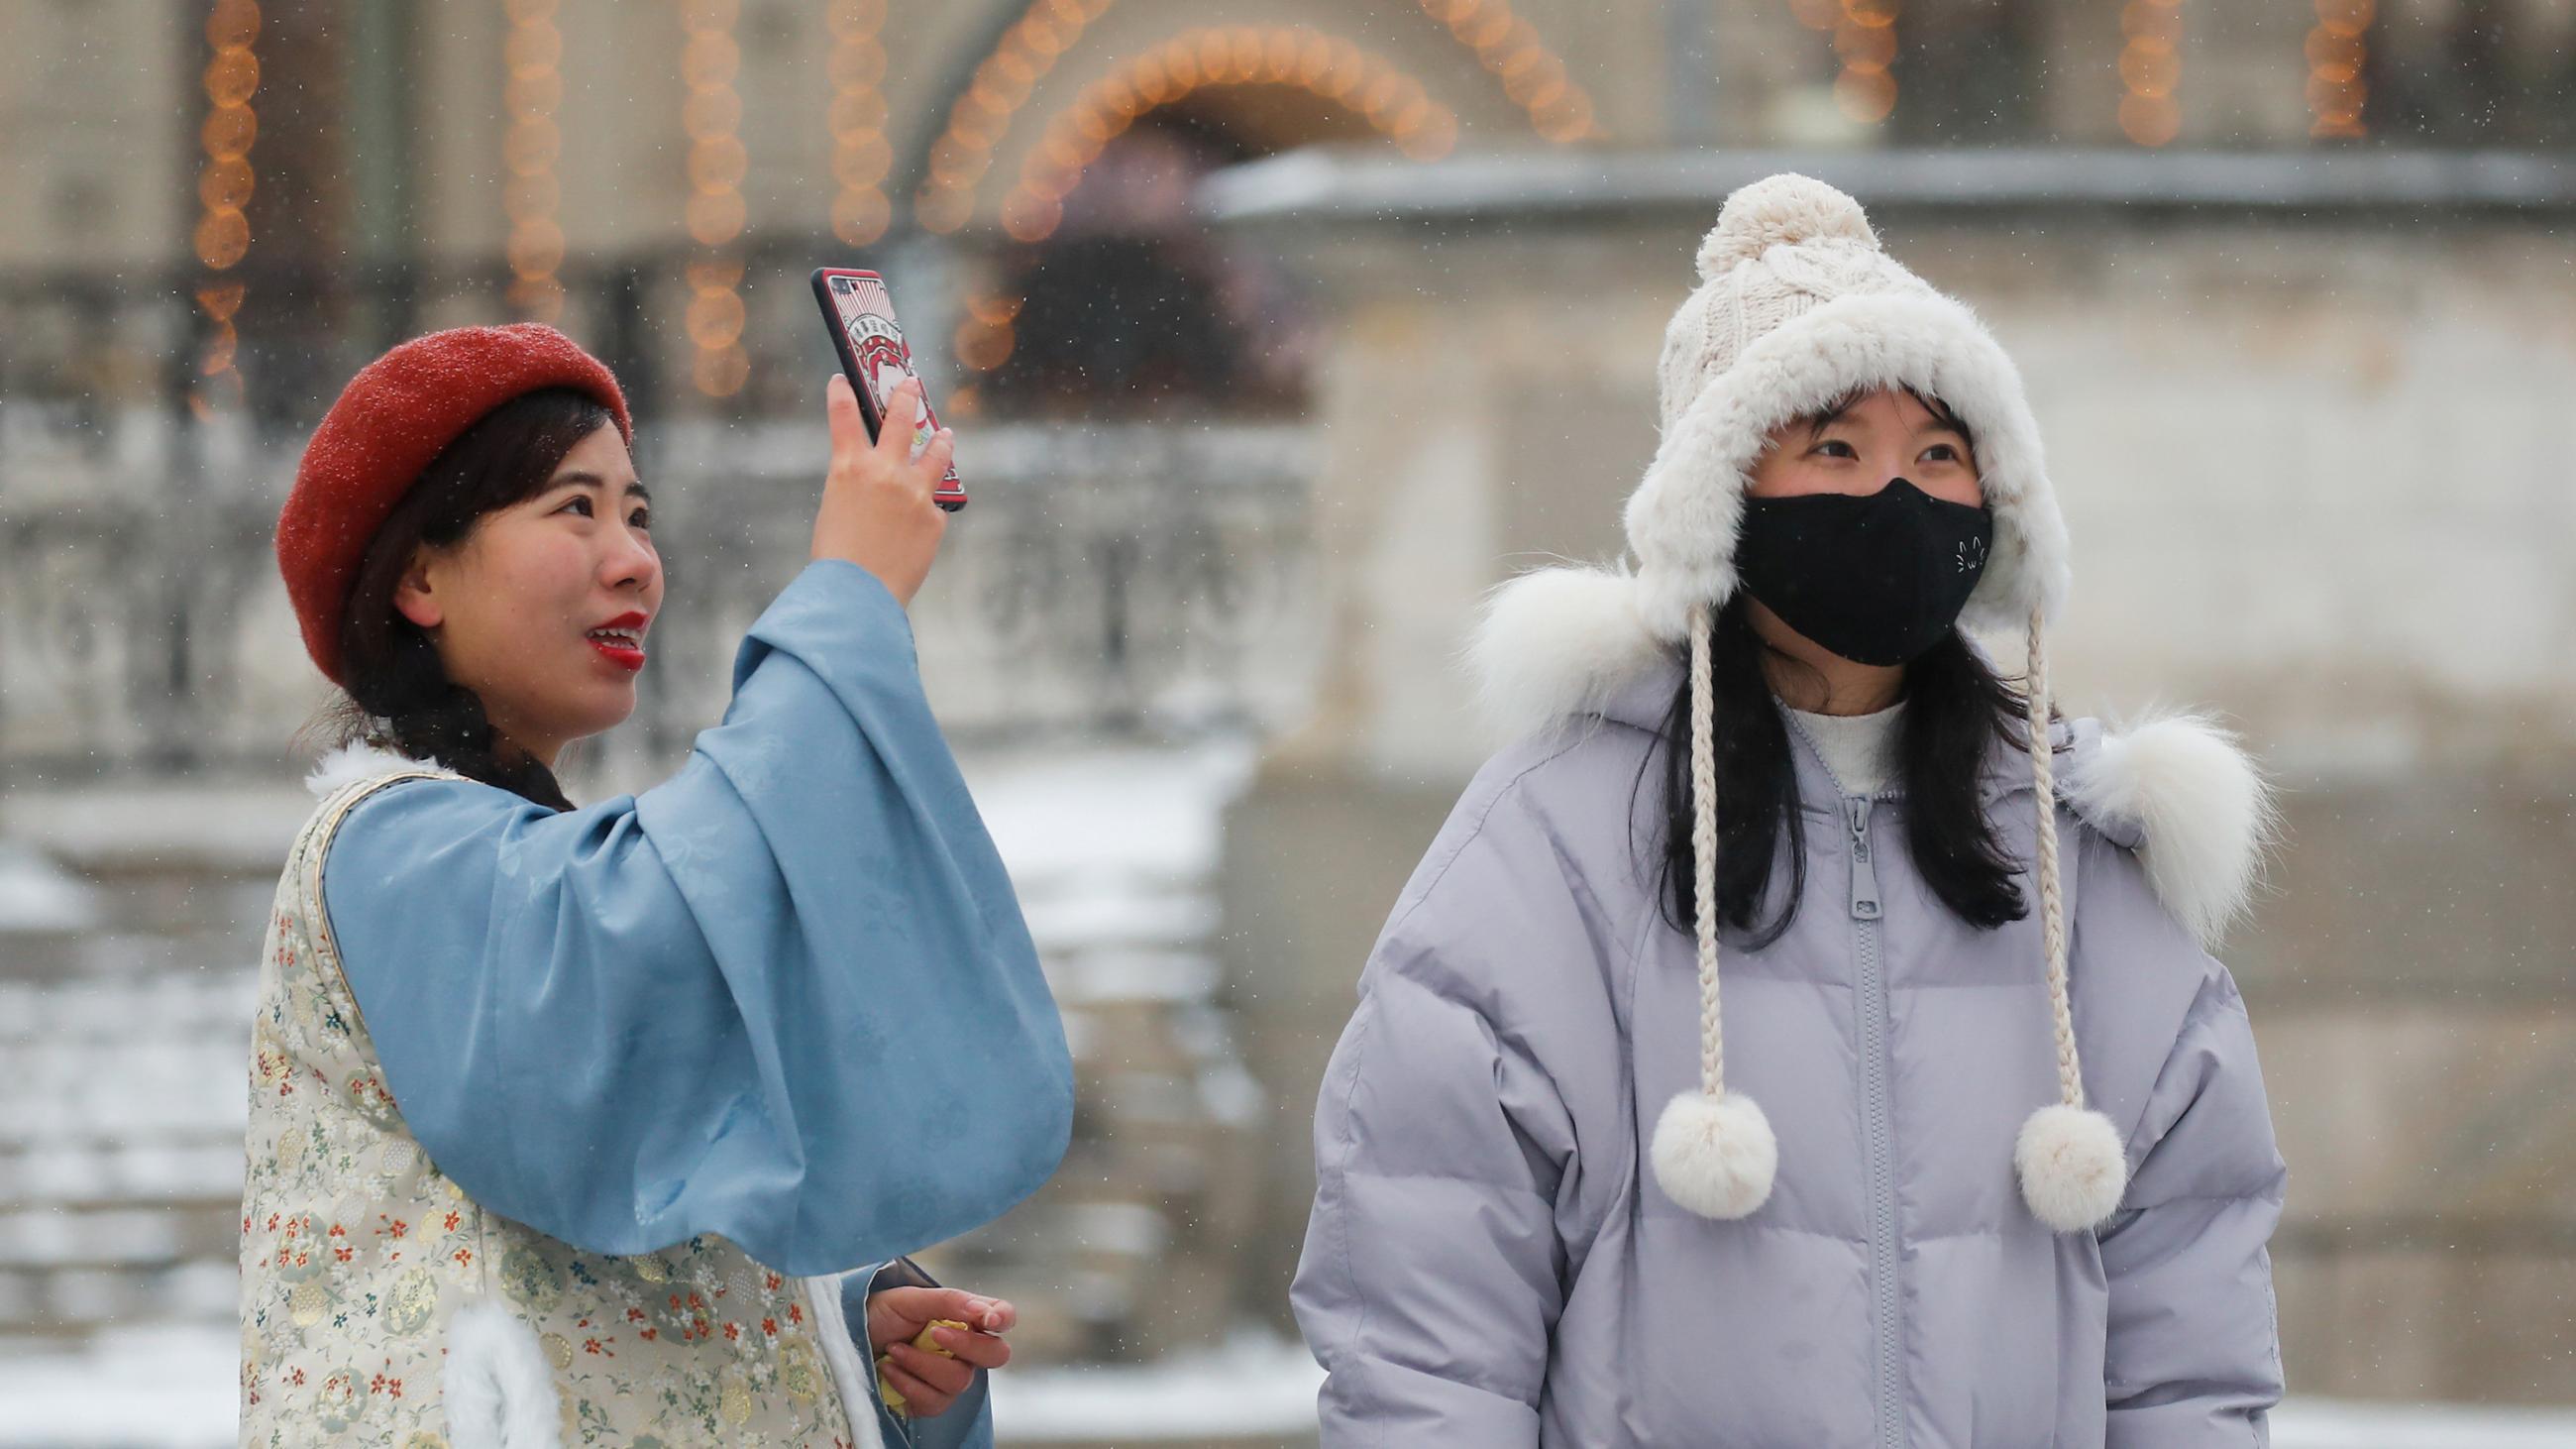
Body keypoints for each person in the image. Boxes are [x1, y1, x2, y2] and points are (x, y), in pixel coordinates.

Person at [1291, 175, 2287, 1445]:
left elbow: (2190, 1338)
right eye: (1832, 447)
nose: (1898, 495)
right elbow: (1424, 1333)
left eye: (1939, 452)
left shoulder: (2083, 855)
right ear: (1717, 497)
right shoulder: (1547, 844)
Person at [243, 322, 1073, 1447]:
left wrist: (844, 1331)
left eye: (637, 514)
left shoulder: (524, 865)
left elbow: (655, 1154)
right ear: (419, 574)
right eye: (572, 508)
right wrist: (844, 604)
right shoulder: (389, 849)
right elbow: (629, 989)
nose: (633, 558)